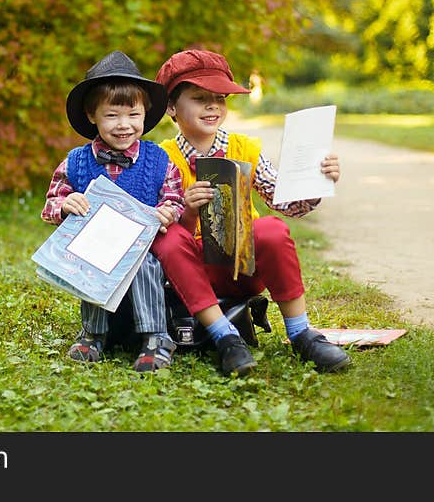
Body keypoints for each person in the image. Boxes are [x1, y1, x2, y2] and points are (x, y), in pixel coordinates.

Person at [150, 49, 350, 376]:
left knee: (270, 229)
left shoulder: (245, 148)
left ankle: (301, 332)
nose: (213, 105)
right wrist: (187, 211)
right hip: (192, 274)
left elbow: (287, 203)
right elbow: (162, 239)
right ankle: (226, 338)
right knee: (168, 239)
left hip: (243, 267)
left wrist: (316, 179)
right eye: (199, 98)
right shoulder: (159, 159)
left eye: (220, 97)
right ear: (171, 107)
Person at [41, 50, 185, 373]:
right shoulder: (77, 161)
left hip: (142, 256)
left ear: (145, 114)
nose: (124, 125)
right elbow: (51, 202)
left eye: (133, 115)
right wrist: (65, 204)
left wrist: (167, 211)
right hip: (99, 251)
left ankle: (155, 337)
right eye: (112, 116)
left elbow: (177, 198)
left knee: (144, 260)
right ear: (92, 115)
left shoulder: (158, 160)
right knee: (93, 258)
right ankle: (93, 333)